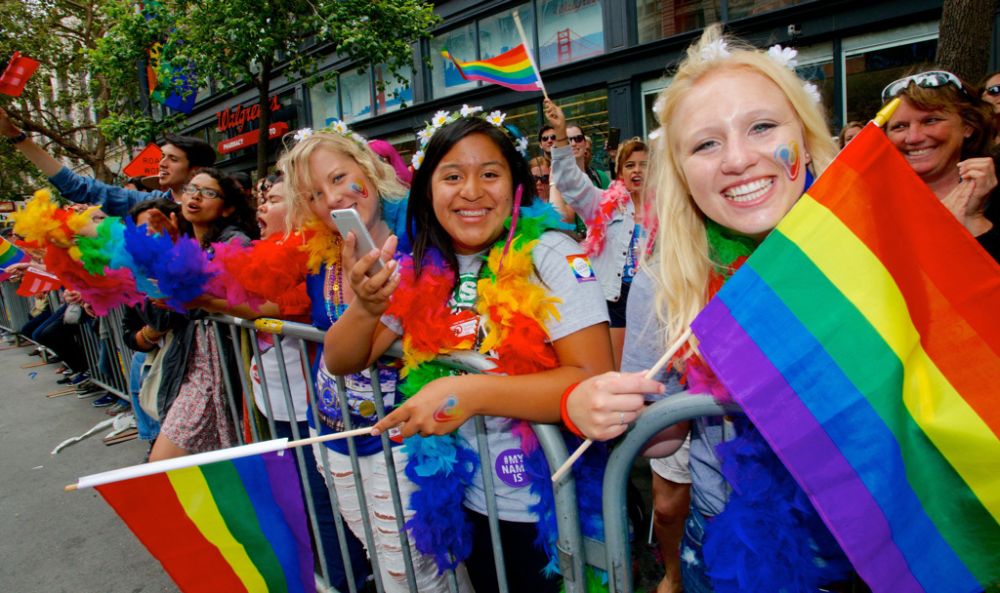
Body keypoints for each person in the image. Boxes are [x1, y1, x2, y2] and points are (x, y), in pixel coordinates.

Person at [563, 26, 849, 593]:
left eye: (763, 127)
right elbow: (664, 439)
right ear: (682, 172)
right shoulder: (667, 278)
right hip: (723, 542)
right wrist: (603, 408)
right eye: (706, 143)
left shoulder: (869, 254)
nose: (739, 159)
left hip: (868, 546)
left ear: (807, 135)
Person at [326, 112, 614, 593]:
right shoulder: (421, 268)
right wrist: (366, 306)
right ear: (427, 191)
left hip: (547, 508)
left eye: (490, 174)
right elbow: (341, 359)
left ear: (516, 185)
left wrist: (467, 393)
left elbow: (592, 381)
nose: (472, 192)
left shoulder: (553, 256)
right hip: (469, 506)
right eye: (453, 176)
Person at [279, 125, 450, 593]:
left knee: (411, 573)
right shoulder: (324, 253)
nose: (332, 198)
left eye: (339, 178)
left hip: (398, 444)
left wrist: (367, 304)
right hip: (331, 434)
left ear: (368, 168)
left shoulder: (421, 242)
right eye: (314, 193)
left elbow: (345, 355)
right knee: (379, 555)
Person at [148, 167, 256, 461]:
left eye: (208, 192)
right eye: (191, 189)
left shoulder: (236, 243)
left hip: (220, 369)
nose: (194, 196)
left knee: (162, 464)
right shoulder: (186, 242)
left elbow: (240, 299)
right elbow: (162, 315)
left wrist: (196, 294)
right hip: (192, 364)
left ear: (228, 207)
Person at [545, 100, 651, 365]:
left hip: (654, 303)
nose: (637, 171)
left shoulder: (670, 211)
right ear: (619, 172)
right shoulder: (604, 204)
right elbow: (570, 181)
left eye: (643, 164)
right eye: (629, 165)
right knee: (617, 374)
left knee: (651, 375)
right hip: (616, 297)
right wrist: (560, 135)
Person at [0, 107, 215, 216]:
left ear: (195, 171)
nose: (162, 164)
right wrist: (16, 135)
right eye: (162, 157)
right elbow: (79, 188)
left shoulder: (218, 209)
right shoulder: (151, 204)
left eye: (173, 159)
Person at [881, 69, 999, 261]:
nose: (913, 137)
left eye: (930, 121)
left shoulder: (994, 195)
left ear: (968, 126)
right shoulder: (871, 204)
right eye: (899, 126)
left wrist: (974, 219)